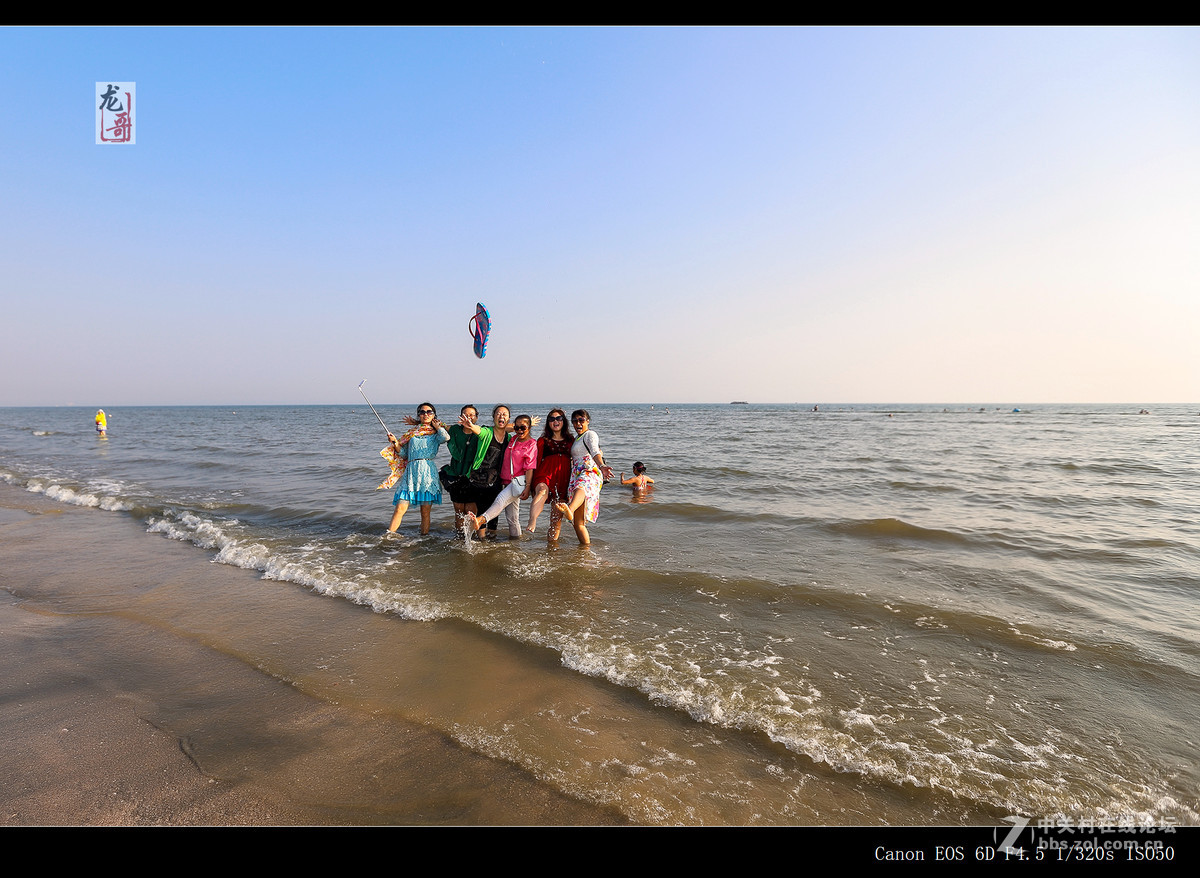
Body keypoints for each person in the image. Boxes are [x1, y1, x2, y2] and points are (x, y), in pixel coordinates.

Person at [385, 403, 449, 535]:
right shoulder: (412, 433)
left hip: (427, 471)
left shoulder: (436, 432)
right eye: (422, 412)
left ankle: (424, 538)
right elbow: (403, 453)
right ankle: (388, 537)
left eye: (429, 412)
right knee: (400, 507)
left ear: (434, 415)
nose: (425, 414)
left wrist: (438, 427)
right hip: (411, 472)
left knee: (425, 512)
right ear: (418, 415)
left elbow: (446, 438)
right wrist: (395, 442)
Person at [470, 415, 537, 538]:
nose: (520, 431)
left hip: (518, 483)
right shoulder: (513, 439)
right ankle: (516, 543)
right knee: (512, 518)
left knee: (500, 500)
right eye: (517, 427)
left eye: (523, 428)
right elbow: (501, 428)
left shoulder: (531, 444)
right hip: (506, 481)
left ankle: (481, 520)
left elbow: (530, 468)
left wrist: (528, 487)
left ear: (529, 428)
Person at [554, 409, 614, 546]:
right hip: (576, 474)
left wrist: (602, 465)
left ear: (588, 421)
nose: (578, 423)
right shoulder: (576, 439)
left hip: (589, 471)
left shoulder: (590, 434)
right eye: (574, 421)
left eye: (581, 420)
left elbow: (594, 450)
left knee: (581, 486)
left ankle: (570, 508)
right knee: (578, 523)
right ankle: (586, 550)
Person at [440, 404, 494, 532]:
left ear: (476, 417)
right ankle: (459, 538)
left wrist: (523, 424)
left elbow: (501, 428)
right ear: (460, 416)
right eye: (465, 414)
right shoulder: (454, 430)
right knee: (459, 511)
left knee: (470, 512)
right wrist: (416, 421)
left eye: (471, 415)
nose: (468, 417)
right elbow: (438, 425)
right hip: (455, 476)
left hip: (473, 477)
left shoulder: (481, 432)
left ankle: (472, 538)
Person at [526, 408, 573, 540]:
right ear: (548, 423)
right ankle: (532, 520)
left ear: (564, 421)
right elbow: (534, 462)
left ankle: (552, 548)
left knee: (556, 520)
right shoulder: (542, 440)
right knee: (542, 491)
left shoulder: (571, 440)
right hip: (544, 474)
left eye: (559, 418)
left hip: (563, 479)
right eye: (551, 419)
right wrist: (529, 486)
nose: (555, 421)